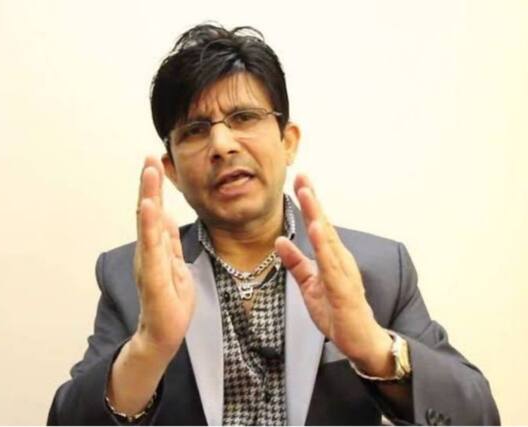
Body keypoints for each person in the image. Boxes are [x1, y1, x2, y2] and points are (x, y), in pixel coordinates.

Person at [48, 24, 500, 426]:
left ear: (288, 141)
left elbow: (477, 416)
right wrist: (148, 349)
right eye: (195, 130)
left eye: (243, 117)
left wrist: (373, 348)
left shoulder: (377, 269)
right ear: (172, 170)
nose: (222, 144)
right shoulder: (133, 278)